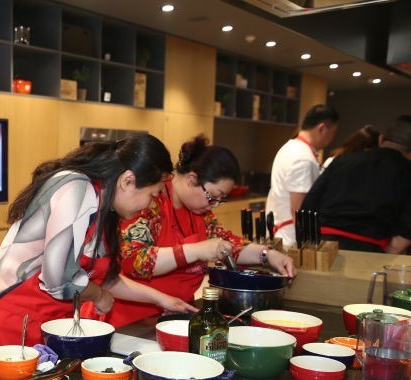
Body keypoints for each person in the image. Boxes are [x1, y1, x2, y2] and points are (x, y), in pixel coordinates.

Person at [0, 134, 197, 370]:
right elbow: (58, 280)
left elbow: (104, 278)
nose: (150, 205)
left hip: (47, 327)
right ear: (127, 180)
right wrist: (97, 295)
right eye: (153, 194)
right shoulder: (76, 188)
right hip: (13, 327)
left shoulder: (103, 205)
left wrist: (162, 299)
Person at [91, 135, 296, 327]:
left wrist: (267, 255)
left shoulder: (200, 211)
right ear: (191, 179)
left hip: (175, 314)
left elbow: (227, 245)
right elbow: (136, 261)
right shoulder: (150, 199)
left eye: (219, 199)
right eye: (213, 196)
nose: (214, 205)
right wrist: (196, 250)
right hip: (132, 321)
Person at [301, 115, 411, 254]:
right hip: (370, 249)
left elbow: (309, 204)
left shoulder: (343, 160)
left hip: (323, 244)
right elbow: (406, 231)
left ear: (381, 139)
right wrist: (386, 254)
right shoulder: (407, 172)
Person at [266, 104, 340, 248]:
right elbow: (299, 210)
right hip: (292, 238)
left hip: (283, 233)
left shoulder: (290, 147)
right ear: (322, 128)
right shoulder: (303, 158)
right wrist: (309, 244)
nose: (333, 137)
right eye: (334, 132)